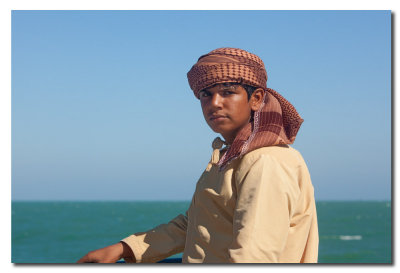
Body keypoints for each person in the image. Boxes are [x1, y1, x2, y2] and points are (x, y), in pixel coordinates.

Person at [77, 47, 319, 264]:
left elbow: (254, 256)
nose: (214, 103)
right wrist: (125, 249)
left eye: (227, 92)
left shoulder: (265, 162)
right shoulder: (231, 156)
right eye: (206, 94)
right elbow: (198, 224)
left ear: (255, 99)